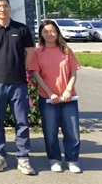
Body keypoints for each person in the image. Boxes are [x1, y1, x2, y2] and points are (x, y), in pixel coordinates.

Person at [0, 0, 36, 175]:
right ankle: (0, 155)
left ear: (10, 7)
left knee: (22, 121)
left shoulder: (21, 29)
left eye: (5, 6)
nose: (2, 9)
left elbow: (30, 52)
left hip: (18, 82)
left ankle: (23, 157)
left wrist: (22, 68)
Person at [28, 20, 82, 173]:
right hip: (47, 97)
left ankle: (72, 160)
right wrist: (50, 93)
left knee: (72, 131)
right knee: (50, 131)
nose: (49, 34)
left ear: (57, 32)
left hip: (68, 97)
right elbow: (36, 74)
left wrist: (68, 90)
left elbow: (73, 72)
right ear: (41, 34)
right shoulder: (37, 52)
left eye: (52, 31)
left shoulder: (66, 50)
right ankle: (55, 159)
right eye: (45, 31)